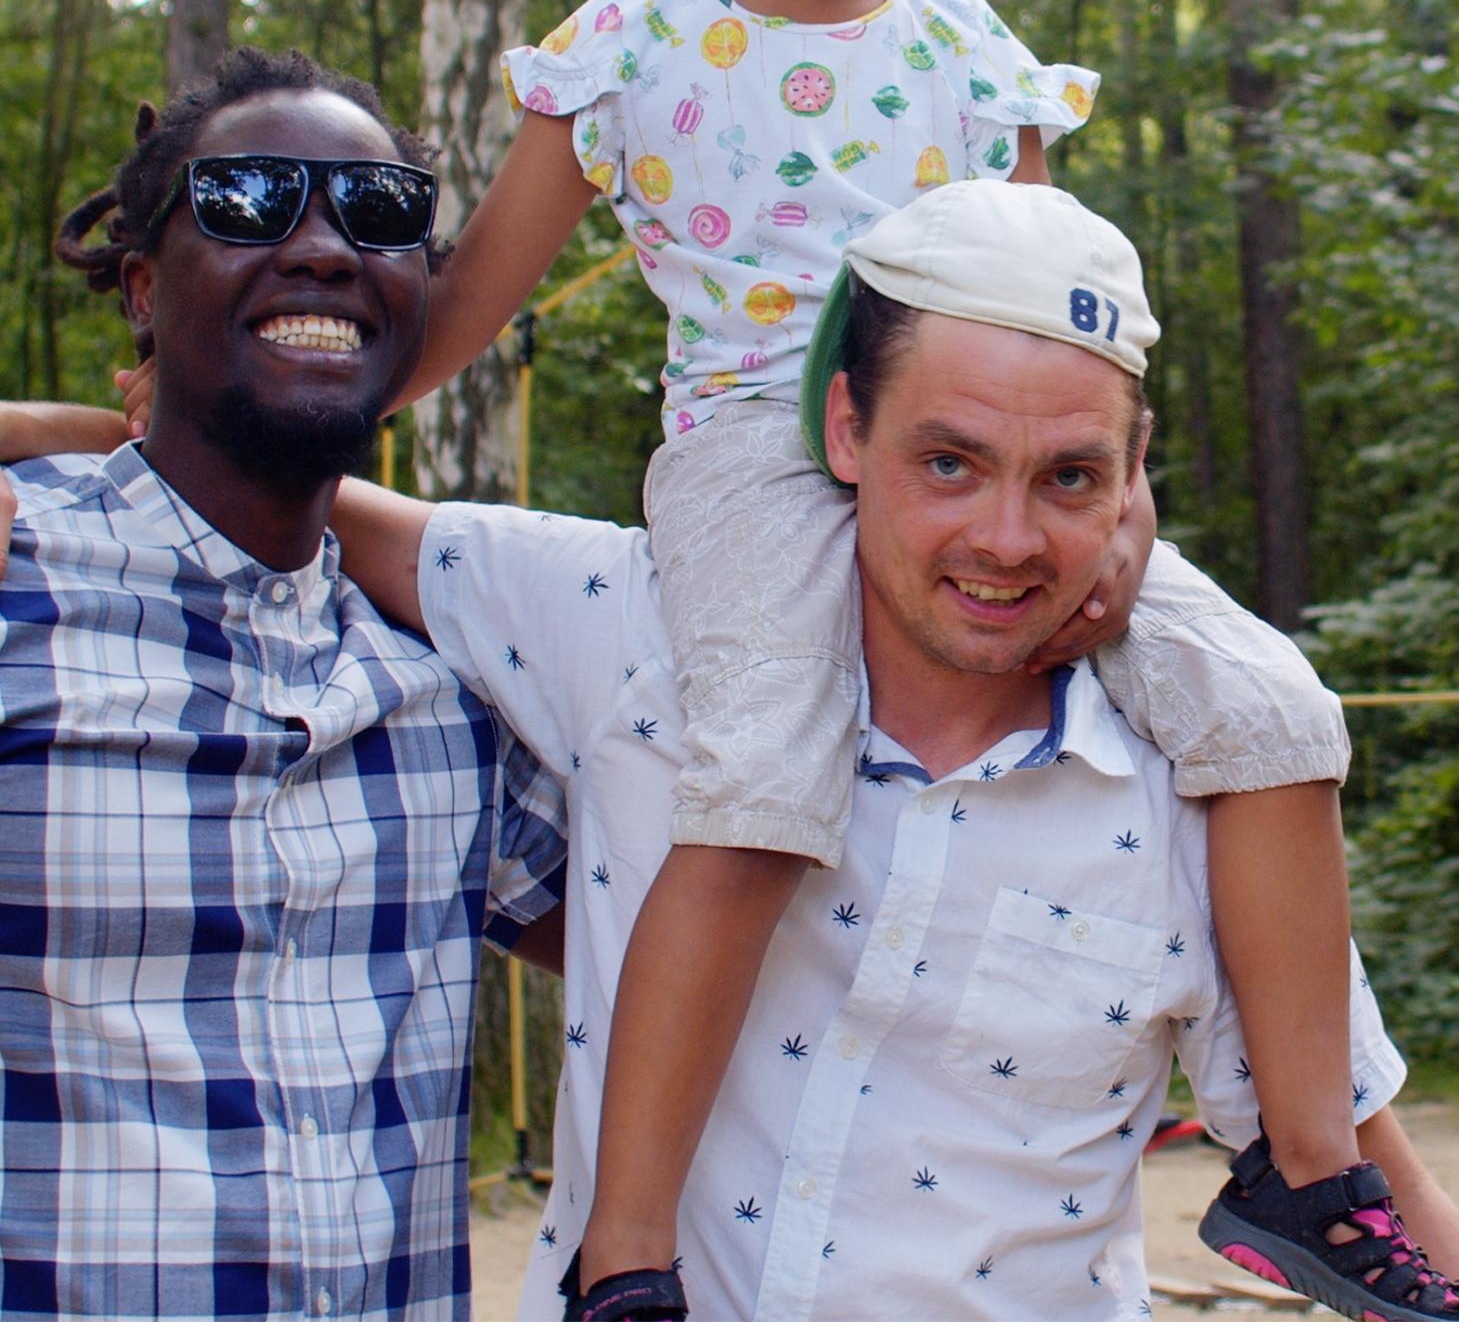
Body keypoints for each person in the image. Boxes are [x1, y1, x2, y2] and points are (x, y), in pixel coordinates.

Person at [353, 0, 1366, 1315]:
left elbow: (1061, 325)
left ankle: (1304, 1163)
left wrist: (1116, 512)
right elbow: (457, 316)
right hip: (756, 447)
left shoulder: (975, 62)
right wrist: (257, 425)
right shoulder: (630, 47)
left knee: (1273, 707)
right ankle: (625, 1250)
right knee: (753, 773)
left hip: (977, 452)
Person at [330, 181, 1459, 1322]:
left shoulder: (1208, 794)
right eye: (948, 464)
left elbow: (1362, 1176)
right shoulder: (642, 635)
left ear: (1133, 477)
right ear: (845, 430)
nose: (1005, 541)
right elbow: (264, 506)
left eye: (1069, 476)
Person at [0, 48, 566, 1322]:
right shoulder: (14, 578)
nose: (321, 246)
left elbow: (670, 935)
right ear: (143, 288)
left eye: (379, 211)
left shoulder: (456, 678)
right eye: (251, 200)